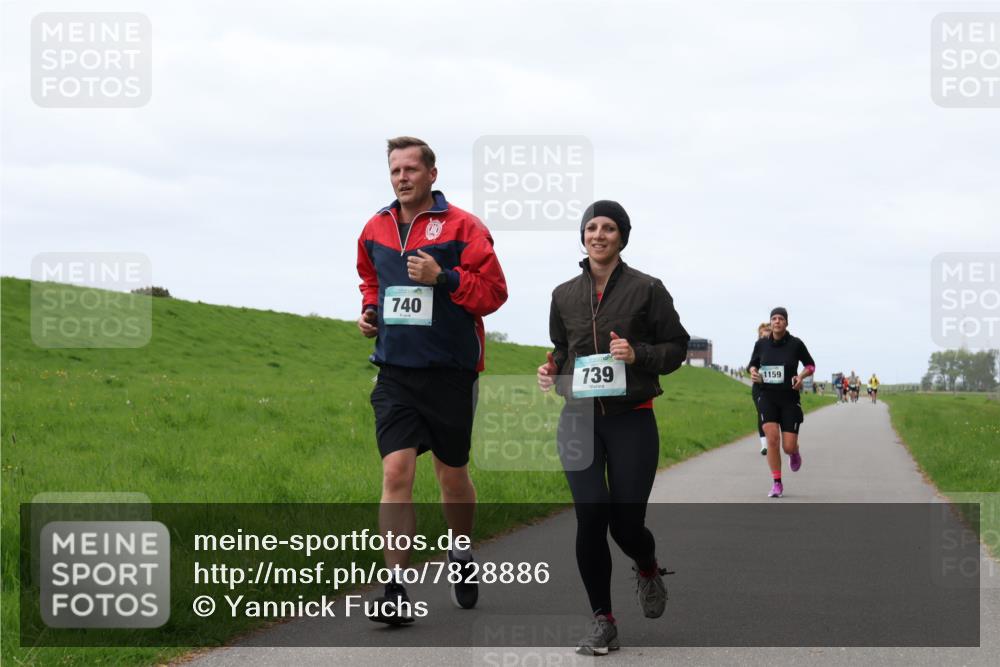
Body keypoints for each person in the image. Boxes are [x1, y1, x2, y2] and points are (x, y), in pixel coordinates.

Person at [356, 136, 508, 624]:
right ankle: (396, 588)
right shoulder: (374, 227)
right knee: (396, 473)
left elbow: (494, 292)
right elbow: (371, 279)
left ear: (432, 174)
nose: (402, 178)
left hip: (450, 372)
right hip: (396, 372)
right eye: (395, 170)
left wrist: (444, 278)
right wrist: (370, 310)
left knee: (451, 473)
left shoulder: (464, 226)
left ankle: (461, 552)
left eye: (411, 170)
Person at [537, 200, 689, 655]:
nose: (598, 234)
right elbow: (563, 350)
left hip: (632, 418)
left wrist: (638, 354)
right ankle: (603, 620)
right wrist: (552, 372)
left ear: (622, 236)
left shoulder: (648, 289)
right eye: (591, 227)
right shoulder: (564, 294)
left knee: (625, 525)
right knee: (590, 515)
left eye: (608, 228)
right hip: (579, 420)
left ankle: (646, 566)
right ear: (583, 236)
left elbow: (677, 347)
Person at [748, 307, 815, 498]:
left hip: (789, 399)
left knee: (788, 446)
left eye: (780, 319)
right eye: (774, 318)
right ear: (770, 323)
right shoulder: (761, 344)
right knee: (771, 439)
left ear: (786, 323)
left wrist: (801, 376)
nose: (777, 321)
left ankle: (794, 452)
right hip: (767, 396)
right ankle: (777, 482)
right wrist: (753, 371)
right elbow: (752, 364)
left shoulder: (795, 344)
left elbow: (811, 365)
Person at [753, 322, 771, 455]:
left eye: (767, 336)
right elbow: (751, 364)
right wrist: (753, 370)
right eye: (761, 337)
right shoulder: (758, 348)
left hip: (774, 388)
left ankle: (774, 438)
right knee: (761, 413)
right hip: (759, 387)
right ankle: (764, 444)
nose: (764, 339)